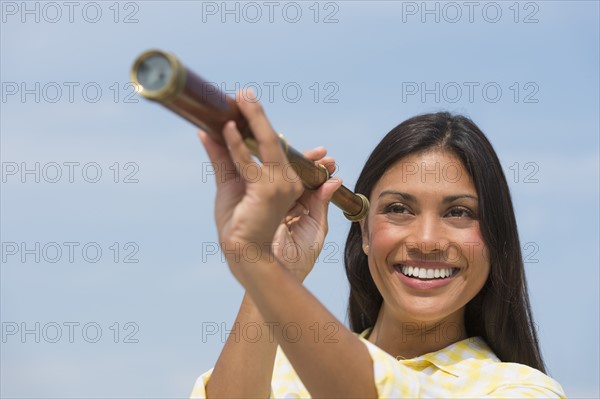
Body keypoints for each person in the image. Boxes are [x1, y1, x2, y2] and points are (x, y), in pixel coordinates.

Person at [190, 89, 566, 398]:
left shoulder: (522, 390)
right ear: (365, 232)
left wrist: (261, 269)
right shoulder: (279, 376)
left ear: (494, 240)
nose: (426, 240)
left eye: (459, 213)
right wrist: (273, 265)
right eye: (399, 209)